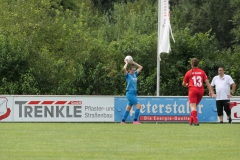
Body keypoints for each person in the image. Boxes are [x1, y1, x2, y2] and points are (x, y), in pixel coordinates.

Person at [182, 58, 214, 126]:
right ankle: (190, 121)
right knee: (194, 106)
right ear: (198, 64)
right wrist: (211, 91)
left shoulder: (189, 72)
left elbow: (184, 83)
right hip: (200, 91)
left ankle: (196, 121)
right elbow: (207, 82)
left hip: (193, 90)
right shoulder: (202, 72)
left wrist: (187, 84)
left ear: (191, 64)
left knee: (193, 107)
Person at [121, 58, 143, 124]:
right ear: (129, 70)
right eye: (132, 70)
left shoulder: (134, 74)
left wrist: (133, 62)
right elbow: (124, 69)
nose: (134, 71)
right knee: (139, 106)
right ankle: (135, 120)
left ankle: (123, 121)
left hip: (134, 93)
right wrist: (126, 63)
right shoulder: (127, 75)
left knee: (128, 108)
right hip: (130, 93)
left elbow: (141, 67)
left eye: (134, 70)